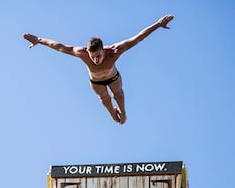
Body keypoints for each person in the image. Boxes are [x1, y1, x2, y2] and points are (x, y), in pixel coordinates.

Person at [23, 15, 174, 124]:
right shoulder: (81, 53)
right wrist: (39, 40)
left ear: (104, 50)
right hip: (95, 81)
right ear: (87, 52)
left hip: (113, 77)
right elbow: (59, 46)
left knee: (118, 95)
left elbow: (138, 38)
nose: (95, 60)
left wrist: (158, 24)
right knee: (104, 98)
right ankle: (112, 114)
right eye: (93, 57)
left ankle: (123, 112)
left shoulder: (115, 51)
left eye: (98, 56)